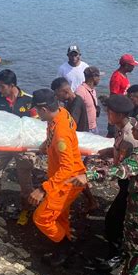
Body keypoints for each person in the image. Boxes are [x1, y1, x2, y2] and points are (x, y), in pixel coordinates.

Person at [69, 112, 138, 275]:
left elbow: (121, 170)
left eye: (136, 128)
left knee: (134, 247)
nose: (133, 131)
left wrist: (89, 176)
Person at [28, 89, 86, 267]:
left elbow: (66, 168)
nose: (37, 113)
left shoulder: (61, 133)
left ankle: (65, 247)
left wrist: (43, 189)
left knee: (42, 217)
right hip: (66, 176)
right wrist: (46, 144)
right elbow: (53, 132)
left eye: (37, 110)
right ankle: (65, 240)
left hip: (68, 180)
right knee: (60, 215)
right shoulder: (61, 114)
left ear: (44, 109)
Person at [0, 69, 37, 225]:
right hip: (4, 144)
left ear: (12, 86)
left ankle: (26, 209)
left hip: (23, 146)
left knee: (25, 181)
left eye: (2, 86)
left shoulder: (28, 100)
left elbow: (37, 123)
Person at [94, 94, 138, 272]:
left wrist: (101, 173)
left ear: (120, 115)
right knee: (118, 218)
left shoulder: (130, 137)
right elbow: (119, 148)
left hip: (132, 184)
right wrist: (109, 151)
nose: (107, 114)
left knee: (113, 220)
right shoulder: (121, 128)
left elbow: (131, 164)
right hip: (125, 181)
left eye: (109, 112)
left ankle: (117, 254)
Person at [51, 76, 97, 213]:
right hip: (74, 141)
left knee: (76, 173)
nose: (56, 96)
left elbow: (72, 123)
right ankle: (88, 200)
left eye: (56, 93)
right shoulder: (69, 101)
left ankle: (90, 201)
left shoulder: (76, 102)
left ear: (64, 91)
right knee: (76, 173)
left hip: (79, 142)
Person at [108, 54, 138, 137]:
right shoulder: (117, 77)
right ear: (126, 65)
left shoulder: (124, 75)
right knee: (115, 133)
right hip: (118, 111)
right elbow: (113, 97)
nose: (133, 67)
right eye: (132, 65)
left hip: (123, 110)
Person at [75, 66, 102, 134]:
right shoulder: (80, 91)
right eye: (98, 76)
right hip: (85, 129)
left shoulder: (92, 90)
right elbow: (76, 111)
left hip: (94, 127)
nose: (99, 79)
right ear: (93, 78)